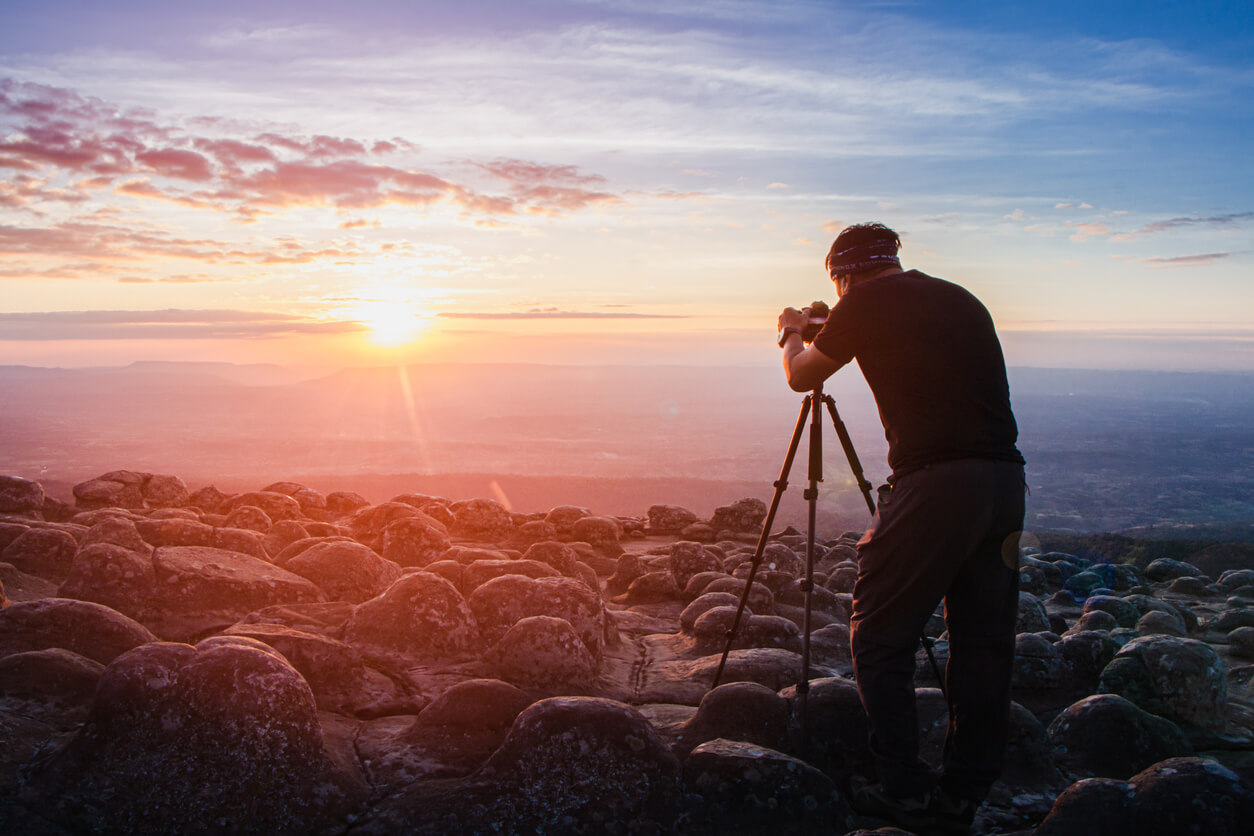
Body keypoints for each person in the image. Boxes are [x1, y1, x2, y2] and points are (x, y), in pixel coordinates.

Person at [777, 222, 1026, 834]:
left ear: (842, 273)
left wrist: (788, 334)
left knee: (880, 634)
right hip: (1004, 485)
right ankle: (963, 794)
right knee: (983, 643)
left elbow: (802, 376)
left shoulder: (864, 302)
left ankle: (905, 790)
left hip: (936, 485)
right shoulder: (960, 297)